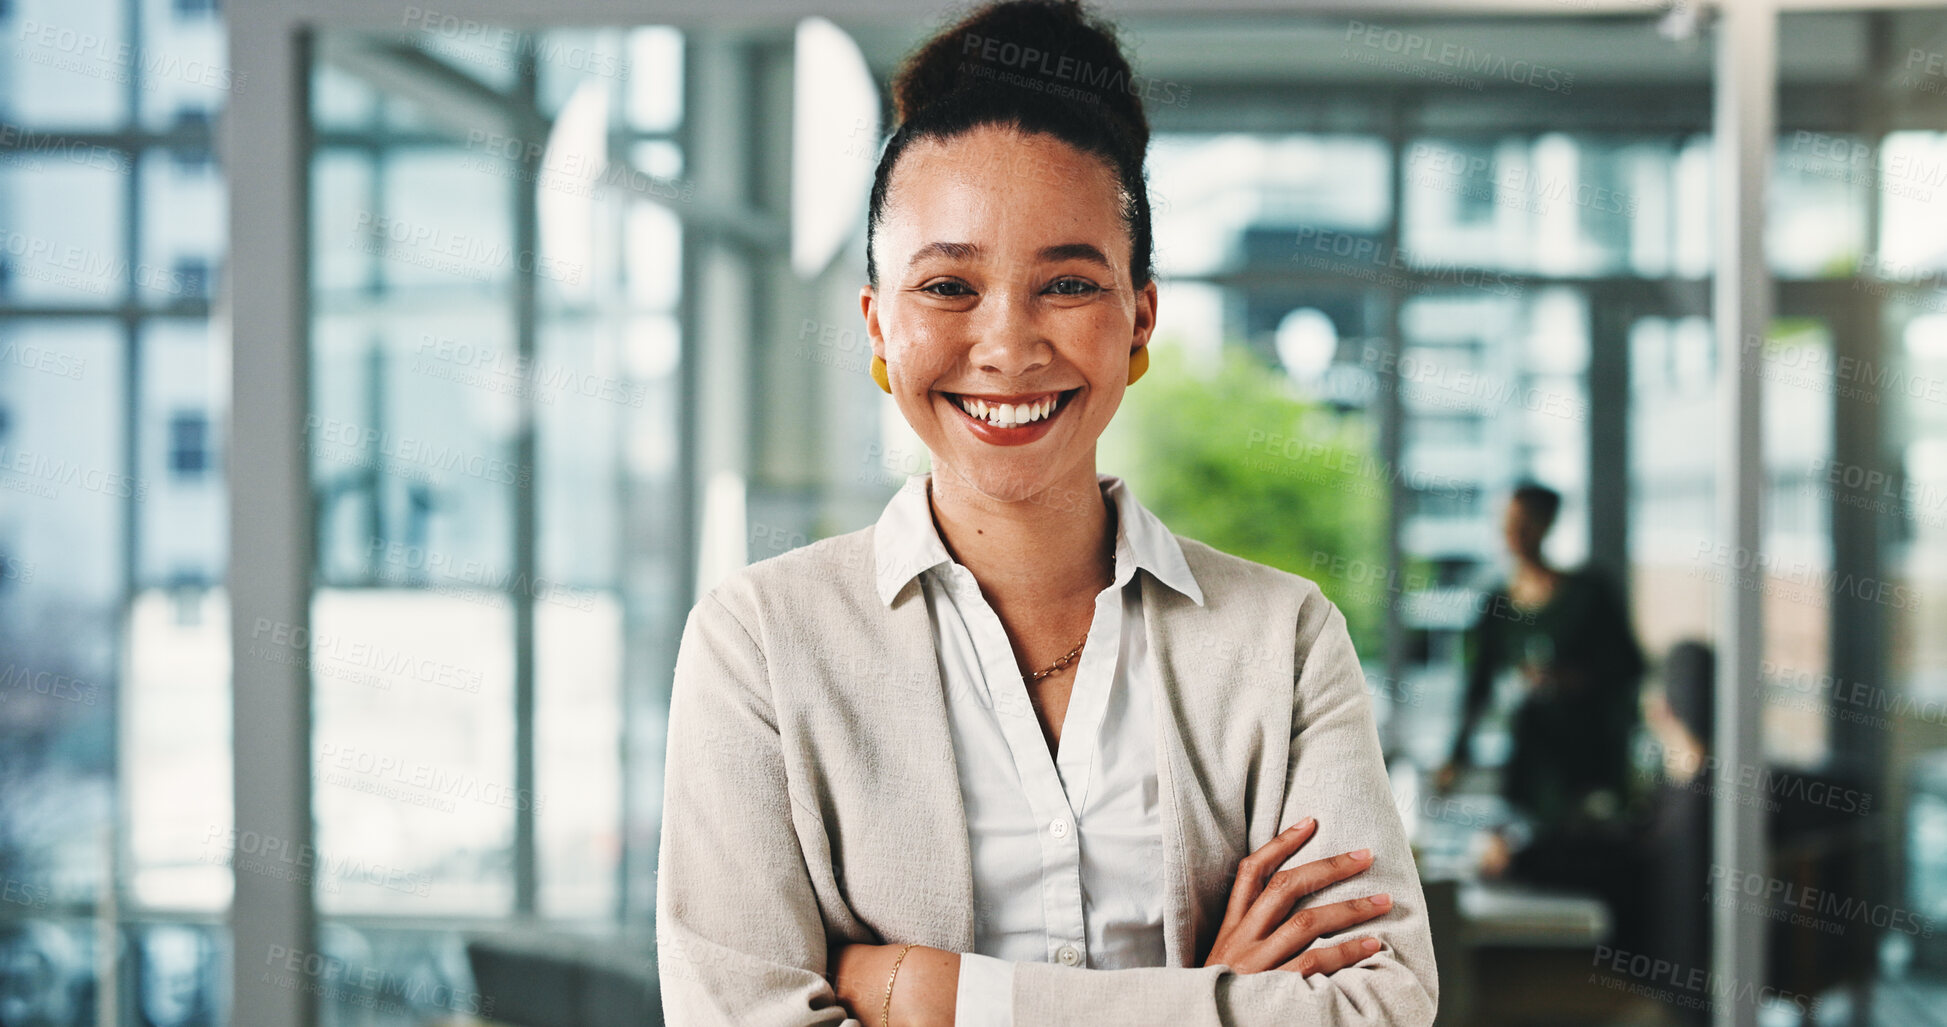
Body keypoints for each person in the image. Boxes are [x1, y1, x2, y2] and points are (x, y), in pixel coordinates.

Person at [654, 2, 1439, 1024]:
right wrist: (1209, 998)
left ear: (1139, 319)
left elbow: (1380, 1012)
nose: (1009, 345)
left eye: (1067, 282)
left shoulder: (1283, 640)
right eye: (947, 285)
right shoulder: (760, 643)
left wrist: (943, 995)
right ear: (878, 325)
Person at [1435, 483, 1649, 946]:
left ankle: (1605, 968)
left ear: (1546, 526)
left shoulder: (1589, 594)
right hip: (1534, 756)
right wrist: (1456, 756)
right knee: (1526, 855)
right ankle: (1542, 964)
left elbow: (1630, 666)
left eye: (1523, 523)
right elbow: (1478, 688)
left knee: (1586, 853)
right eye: (1507, 524)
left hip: (1589, 756)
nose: (1512, 534)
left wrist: (1574, 679)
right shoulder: (1497, 604)